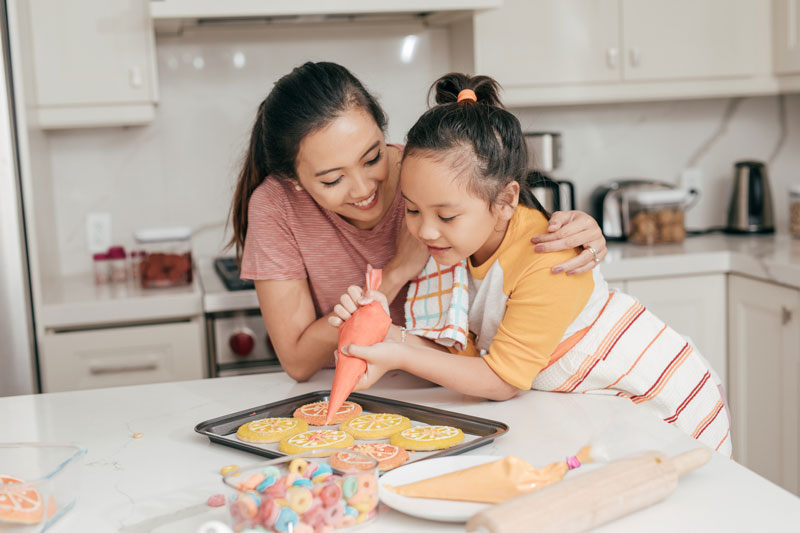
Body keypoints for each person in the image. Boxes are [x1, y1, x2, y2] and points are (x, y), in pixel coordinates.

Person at [332, 73, 731, 455]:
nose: (425, 230)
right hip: (601, 406)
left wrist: (399, 352)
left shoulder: (548, 256)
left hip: (665, 402)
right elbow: (467, 363)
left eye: (446, 216)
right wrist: (386, 334)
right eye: (413, 210)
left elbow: (501, 381)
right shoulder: (456, 248)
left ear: (505, 201)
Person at [230, 61, 608, 383]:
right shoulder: (275, 207)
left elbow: (508, 230)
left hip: (458, 387)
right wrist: (394, 274)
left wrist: (578, 233)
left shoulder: (425, 173)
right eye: (332, 179)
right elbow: (297, 362)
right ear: (293, 179)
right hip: (364, 390)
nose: (364, 189)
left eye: (373, 156)